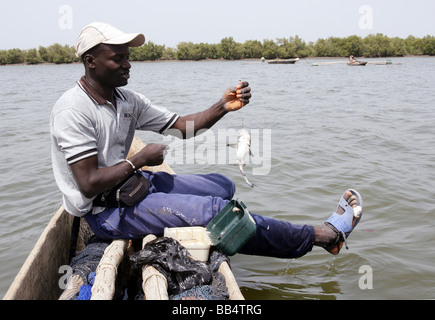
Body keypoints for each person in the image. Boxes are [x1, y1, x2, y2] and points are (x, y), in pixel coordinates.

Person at [50, 22, 363, 259]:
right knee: (216, 210)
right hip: (103, 212)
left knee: (223, 186)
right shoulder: (73, 110)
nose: (128, 64)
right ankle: (323, 236)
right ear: (90, 61)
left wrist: (223, 106)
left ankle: (244, 230)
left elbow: (182, 126)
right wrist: (139, 158)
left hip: (131, 185)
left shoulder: (126, 100)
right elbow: (88, 183)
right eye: (117, 58)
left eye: (128, 57)